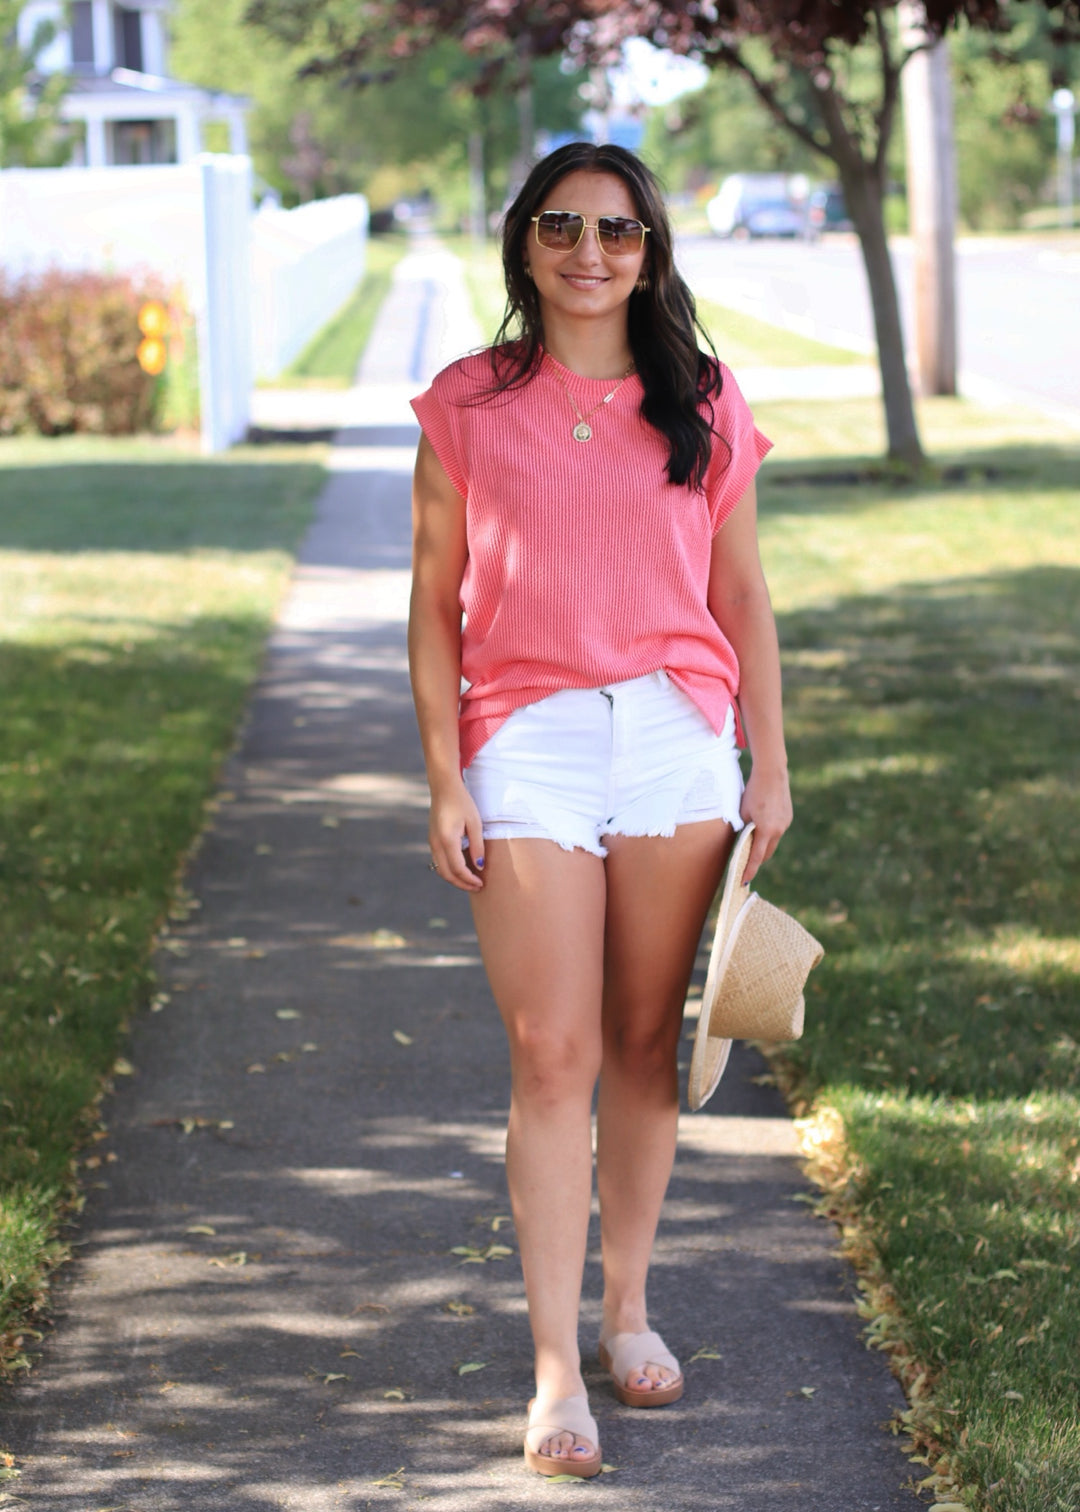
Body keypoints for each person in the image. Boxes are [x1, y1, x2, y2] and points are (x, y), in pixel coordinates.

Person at [408, 142, 792, 1479]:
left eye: (618, 231)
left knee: (641, 1040)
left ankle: (631, 1308)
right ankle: (557, 1367)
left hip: (680, 739)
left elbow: (741, 595)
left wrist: (771, 766)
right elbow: (432, 601)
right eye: (563, 227)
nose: (590, 251)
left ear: (650, 250)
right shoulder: (468, 404)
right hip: (529, 741)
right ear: (524, 244)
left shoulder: (705, 398)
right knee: (552, 1051)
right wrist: (447, 774)